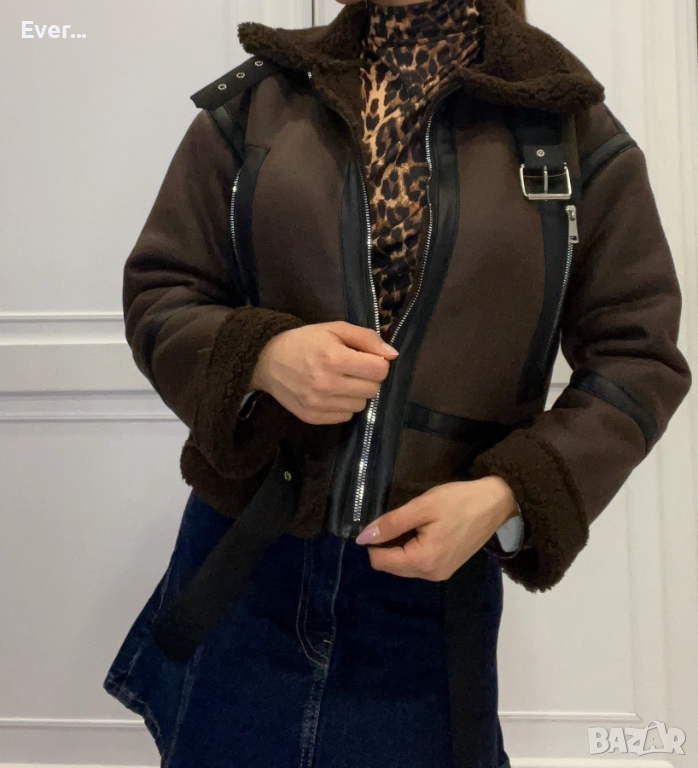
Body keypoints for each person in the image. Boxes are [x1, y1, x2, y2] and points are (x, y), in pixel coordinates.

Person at [103, 0, 692, 766]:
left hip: (430, 597)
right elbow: (162, 286)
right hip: (247, 563)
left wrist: (507, 496)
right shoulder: (264, 99)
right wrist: (262, 356)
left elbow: (638, 356)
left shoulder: (567, 127)